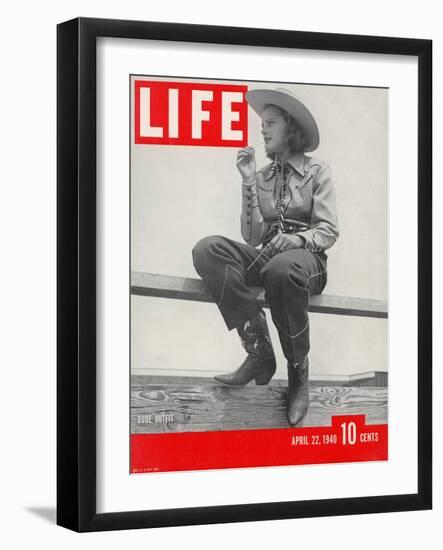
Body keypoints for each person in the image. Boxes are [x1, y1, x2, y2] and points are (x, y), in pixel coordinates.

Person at [191, 87, 339, 427]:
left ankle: (298, 372)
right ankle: (259, 351)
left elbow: (329, 232)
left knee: (281, 269)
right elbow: (252, 236)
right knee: (208, 249)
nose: (262, 130)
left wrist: (296, 239)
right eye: (262, 125)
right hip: (267, 256)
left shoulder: (318, 170)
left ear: (290, 128)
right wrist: (247, 183)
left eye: (270, 124)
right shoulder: (262, 176)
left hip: (307, 261)